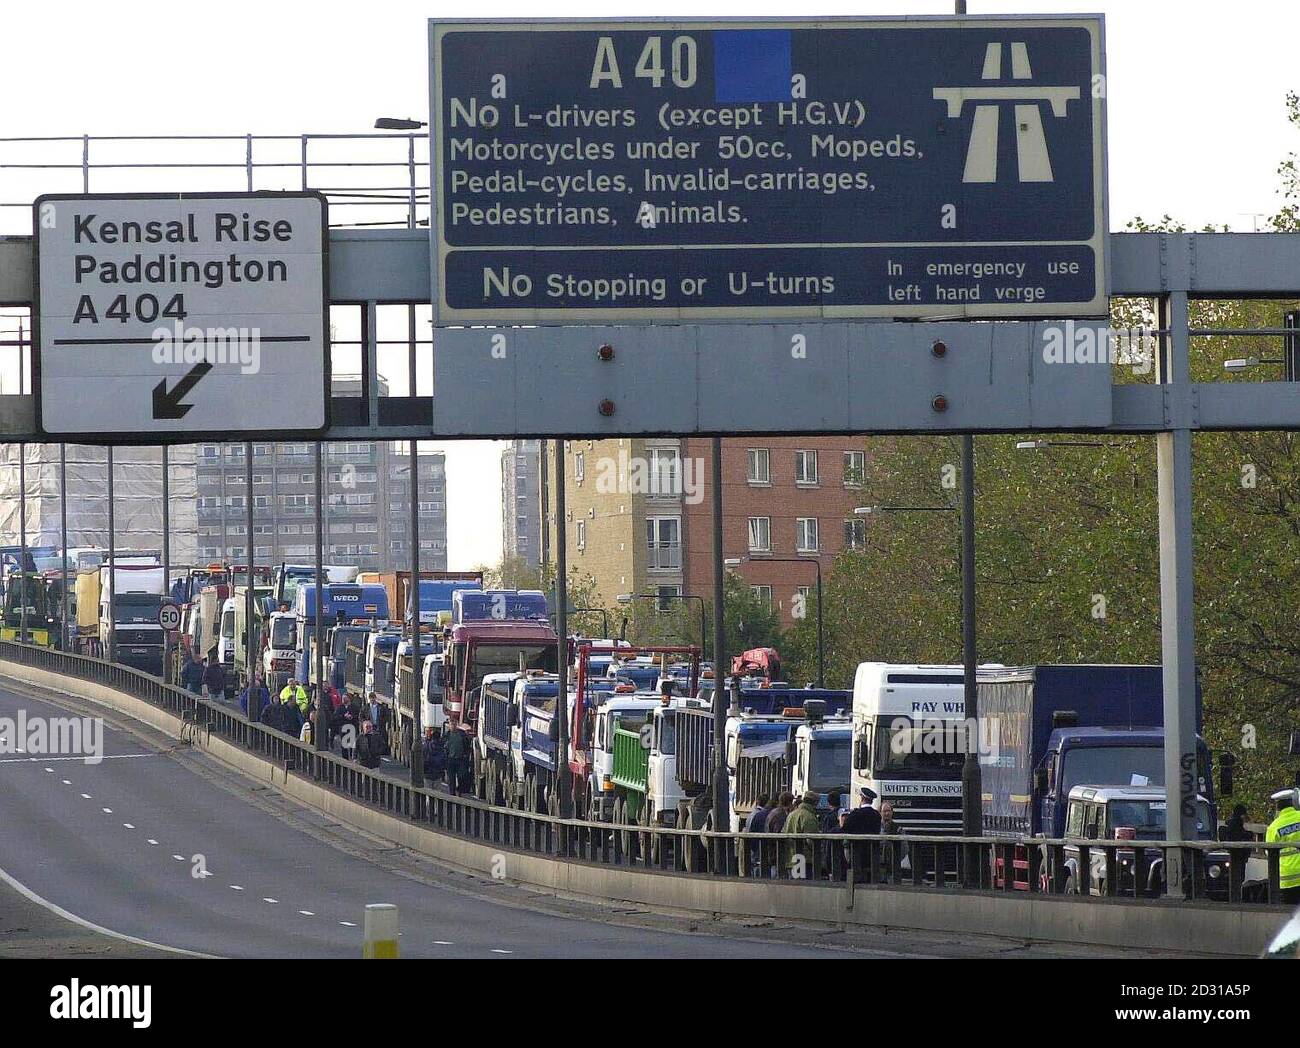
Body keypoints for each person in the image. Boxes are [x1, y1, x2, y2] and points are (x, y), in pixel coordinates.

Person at [1266, 788, 1300, 904]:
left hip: (1287, 880)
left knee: (1288, 914)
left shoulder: (1274, 827)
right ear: (1292, 802)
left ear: (1277, 807)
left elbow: (1269, 853)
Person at [784, 790, 823, 875]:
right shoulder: (809, 816)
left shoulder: (791, 814)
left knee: (793, 886)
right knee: (805, 885)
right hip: (805, 859)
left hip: (791, 857)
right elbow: (812, 840)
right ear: (815, 803)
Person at [443, 723, 469, 795]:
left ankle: (459, 791)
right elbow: (443, 746)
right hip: (450, 760)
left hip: (460, 759)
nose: (453, 726)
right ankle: (452, 793)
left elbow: (466, 744)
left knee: (461, 776)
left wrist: (465, 754)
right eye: (452, 725)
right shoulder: (447, 735)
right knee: (451, 778)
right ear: (450, 726)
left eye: (454, 724)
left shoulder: (461, 734)